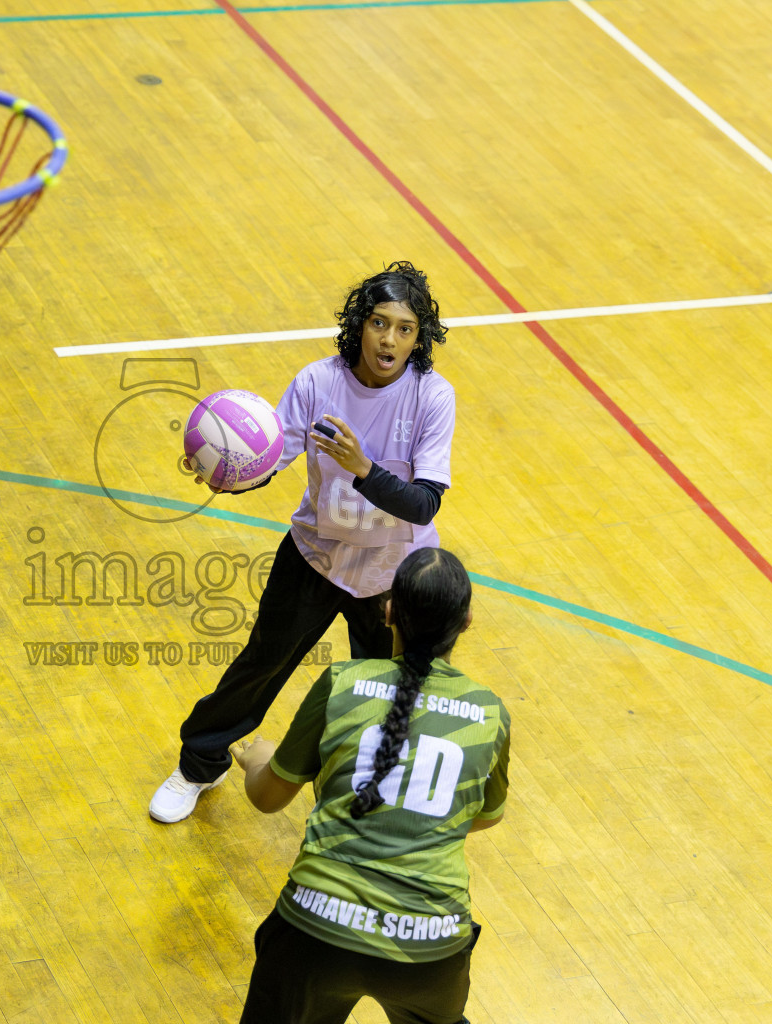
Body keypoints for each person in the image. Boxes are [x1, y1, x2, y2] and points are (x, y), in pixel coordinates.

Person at [150, 261, 456, 823]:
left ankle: (372, 794)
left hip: (393, 575)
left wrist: (364, 469)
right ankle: (200, 765)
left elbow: (425, 503)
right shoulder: (319, 382)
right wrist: (227, 470)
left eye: (405, 328)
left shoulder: (432, 397)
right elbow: (269, 460)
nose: (389, 339)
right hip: (315, 556)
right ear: (359, 324)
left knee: (391, 690)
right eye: (380, 322)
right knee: (262, 664)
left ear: (421, 337)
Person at [229, 546, 508, 1024]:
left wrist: (260, 759)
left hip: (316, 933)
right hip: (431, 950)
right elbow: (485, 816)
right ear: (465, 623)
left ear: (388, 611)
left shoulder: (343, 681)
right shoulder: (489, 712)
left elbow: (268, 797)